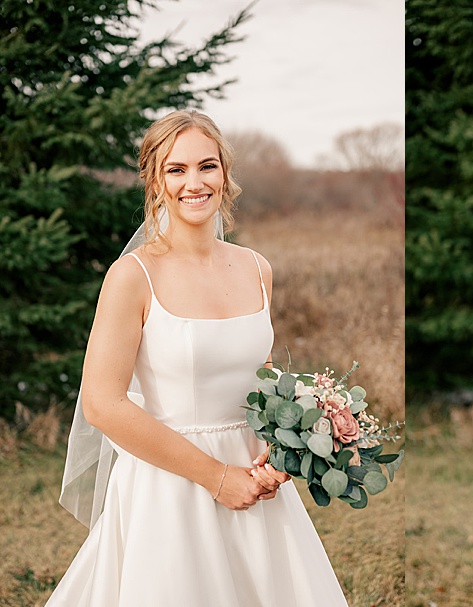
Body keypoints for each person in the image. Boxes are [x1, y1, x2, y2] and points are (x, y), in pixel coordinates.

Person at [47, 110, 349, 606]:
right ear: (155, 180)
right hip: (171, 487)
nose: (194, 182)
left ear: (225, 174)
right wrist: (216, 478)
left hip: (257, 482)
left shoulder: (256, 268)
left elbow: (260, 379)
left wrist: (292, 440)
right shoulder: (132, 276)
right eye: (176, 169)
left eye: (207, 166)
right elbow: (102, 403)